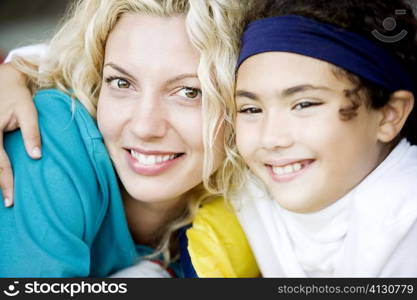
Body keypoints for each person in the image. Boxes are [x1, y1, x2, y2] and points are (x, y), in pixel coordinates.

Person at [0, 0, 259, 277]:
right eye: (122, 83)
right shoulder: (50, 133)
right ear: (97, 82)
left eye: (189, 92)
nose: (144, 127)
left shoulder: (249, 208)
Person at [220, 0, 417, 277]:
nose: (270, 138)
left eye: (304, 105)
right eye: (251, 109)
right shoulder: (243, 195)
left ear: (388, 115)